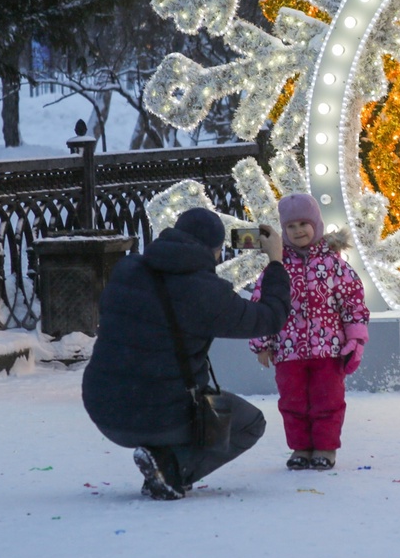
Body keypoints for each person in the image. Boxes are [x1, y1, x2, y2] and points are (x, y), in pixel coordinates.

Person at [83, 208, 290, 500]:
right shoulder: (207, 293)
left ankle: (161, 461)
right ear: (216, 251)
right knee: (249, 424)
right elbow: (270, 317)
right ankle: (172, 470)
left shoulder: (127, 270)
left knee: (158, 381)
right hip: (159, 415)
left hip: (104, 408)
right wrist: (276, 262)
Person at [250, 193, 370, 471]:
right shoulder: (276, 268)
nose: (298, 231)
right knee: (292, 402)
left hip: (329, 350)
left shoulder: (334, 265)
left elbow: (353, 302)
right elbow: (262, 304)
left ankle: (325, 448)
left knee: (328, 400)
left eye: (304, 223)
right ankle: (300, 448)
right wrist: (262, 343)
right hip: (287, 350)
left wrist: (355, 338)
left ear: (316, 223)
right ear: (283, 230)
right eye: (291, 226)